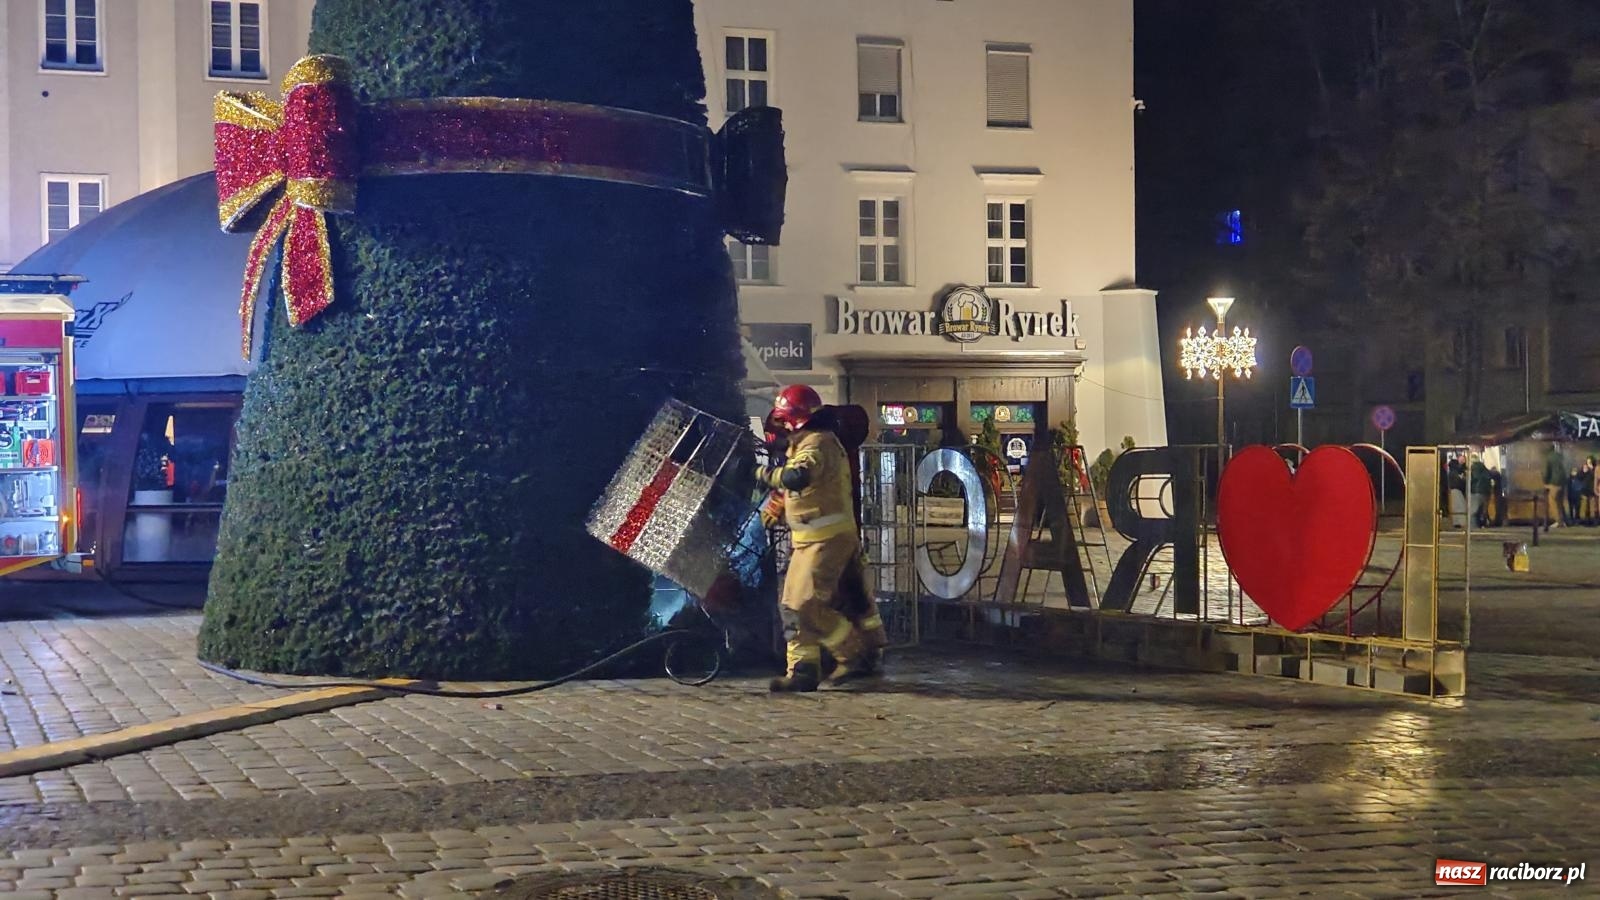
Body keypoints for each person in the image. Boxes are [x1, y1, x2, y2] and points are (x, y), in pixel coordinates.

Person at [756, 384, 875, 692]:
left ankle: (854, 653)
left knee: (806, 605)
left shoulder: (818, 443)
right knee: (791, 606)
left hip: (826, 539)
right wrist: (778, 505)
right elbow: (797, 489)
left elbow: (798, 477)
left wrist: (759, 474)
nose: (780, 428)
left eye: (783, 420)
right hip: (808, 540)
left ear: (796, 418)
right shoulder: (806, 443)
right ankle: (802, 670)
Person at [1542, 442, 1566, 530]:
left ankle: (1558, 521)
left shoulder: (1548, 458)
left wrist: (1545, 482)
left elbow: (1546, 472)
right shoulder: (1560, 456)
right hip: (1562, 482)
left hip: (1553, 483)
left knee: (1552, 502)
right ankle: (1562, 520)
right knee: (1560, 503)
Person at [1469, 454, 1492, 529]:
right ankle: (1483, 524)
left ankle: (1474, 527)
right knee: (1483, 510)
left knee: (1473, 511)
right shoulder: (1484, 468)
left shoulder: (1473, 468)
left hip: (1476, 490)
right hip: (1486, 492)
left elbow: (1474, 478)